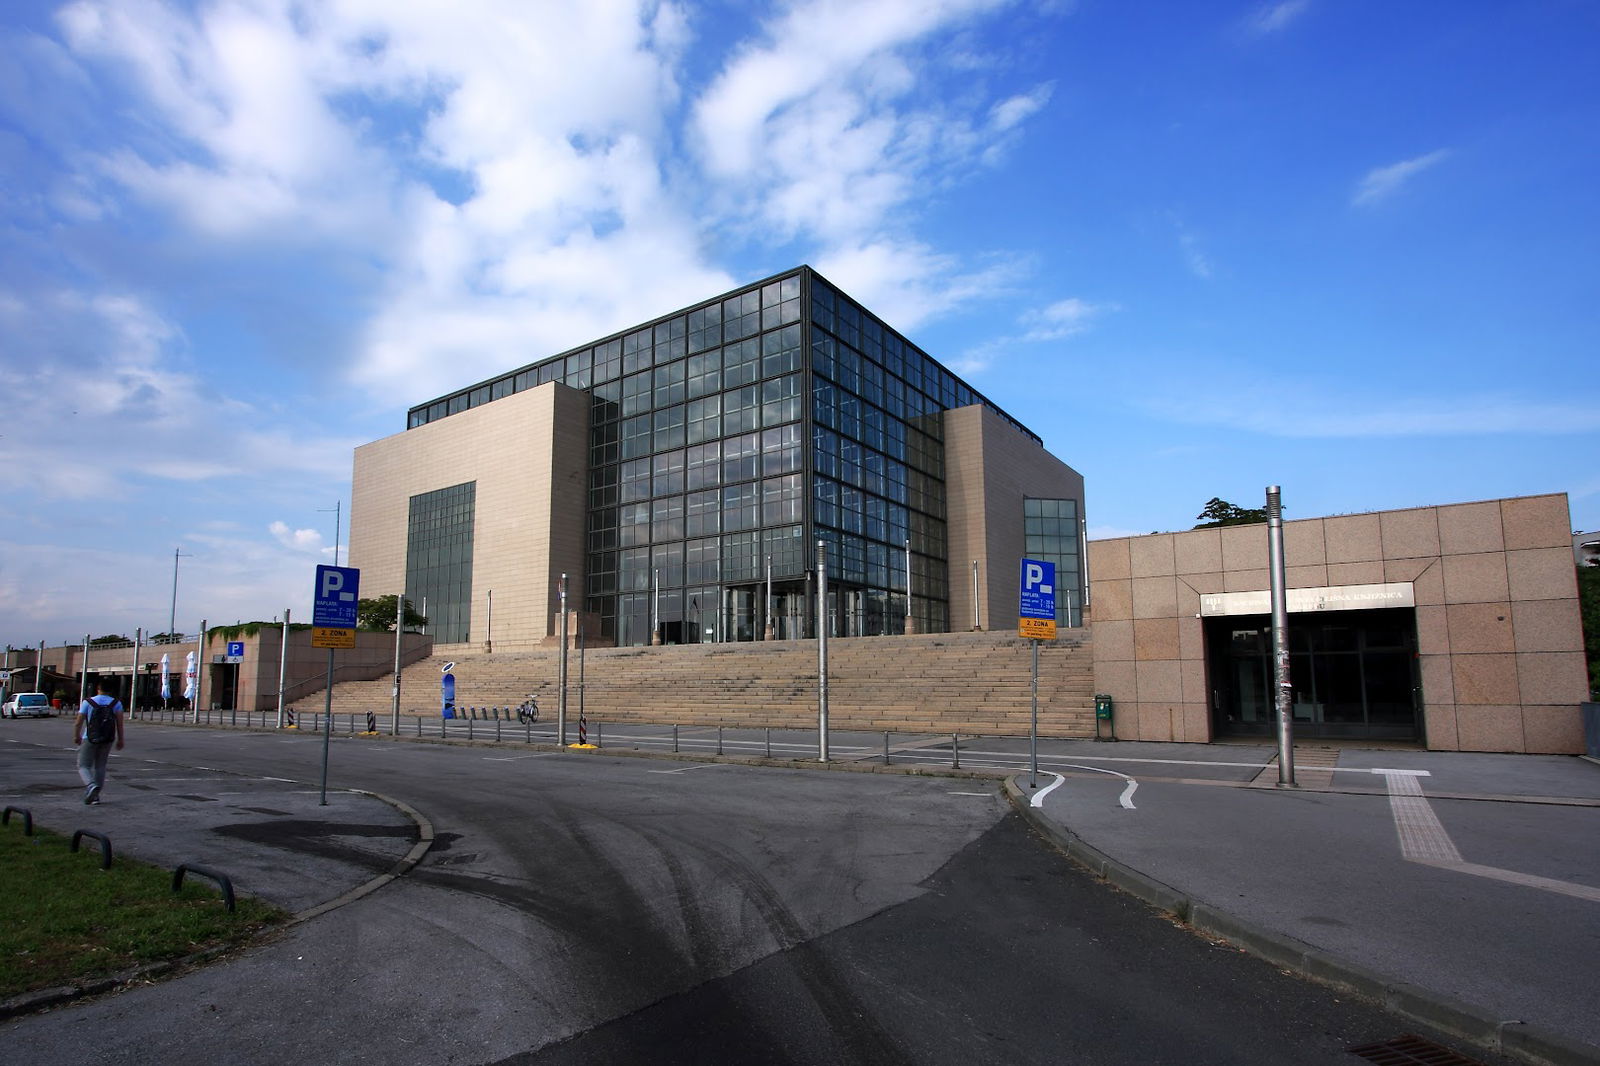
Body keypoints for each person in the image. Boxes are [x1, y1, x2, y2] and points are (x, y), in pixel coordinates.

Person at [75, 680, 125, 805]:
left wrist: (77, 736)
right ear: (111, 690)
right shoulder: (116, 703)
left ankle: (91, 785)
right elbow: (119, 723)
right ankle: (96, 796)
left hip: (90, 737)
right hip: (107, 738)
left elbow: (79, 721)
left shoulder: (88, 702)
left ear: (98, 688)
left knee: (83, 765)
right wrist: (120, 739)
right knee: (100, 766)